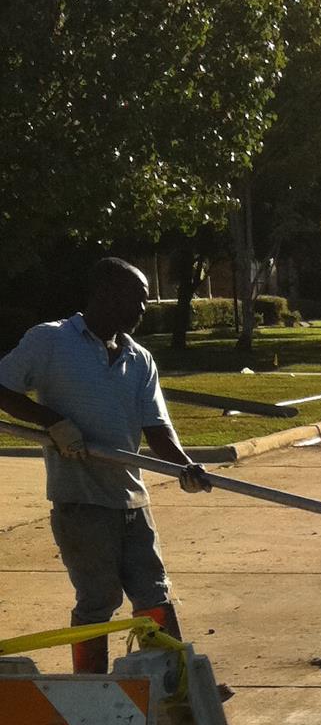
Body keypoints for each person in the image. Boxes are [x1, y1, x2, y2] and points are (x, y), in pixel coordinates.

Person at [0, 257, 211, 673]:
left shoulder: (140, 359)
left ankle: (176, 683)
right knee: (97, 601)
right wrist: (54, 423)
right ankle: (90, 689)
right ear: (104, 293)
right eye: (137, 298)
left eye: (146, 301)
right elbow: (2, 389)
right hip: (80, 502)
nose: (143, 309)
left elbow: (157, 431)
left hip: (132, 501)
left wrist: (186, 466)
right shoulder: (51, 342)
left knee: (154, 596)